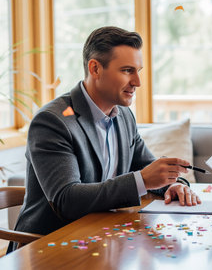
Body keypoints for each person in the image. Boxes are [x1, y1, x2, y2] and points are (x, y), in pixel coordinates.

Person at [9, 26, 200, 252]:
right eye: (127, 70)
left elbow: (146, 167)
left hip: (101, 240)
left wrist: (173, 184)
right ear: (95, 68)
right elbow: (67, 199)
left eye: (138, 70)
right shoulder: (53, 121)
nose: (137, 82)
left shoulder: (124, 115)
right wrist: (143, 180)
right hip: (49, 246)